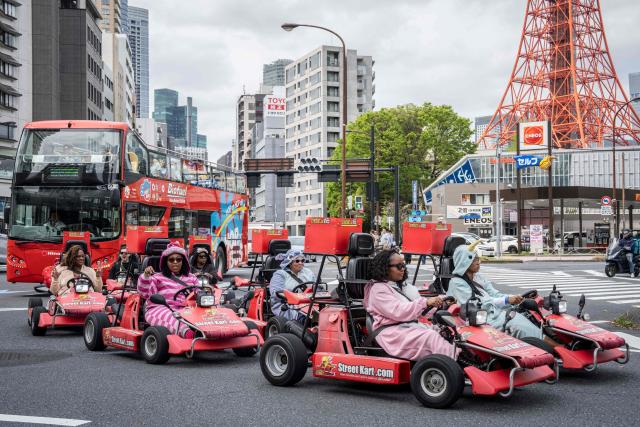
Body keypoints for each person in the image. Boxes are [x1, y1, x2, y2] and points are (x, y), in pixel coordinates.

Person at [363, 250, 458, 361]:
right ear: (385, 268)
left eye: (403, 265)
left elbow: (417, 309)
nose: (403, 268)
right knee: (431, 337)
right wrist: (425, 302)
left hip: (406, 327)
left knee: (447, 332)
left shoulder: (395, 286)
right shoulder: (378, 290)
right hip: (392, 333)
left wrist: (441, 304)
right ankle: (456, 365)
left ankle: (463, 360)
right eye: (399, 266)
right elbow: (399, 312)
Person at [446, 243, 542, 340]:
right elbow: (478, 304)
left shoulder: (478, 277)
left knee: (528, 315)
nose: (478, 262)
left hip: (495, 313)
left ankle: (545, 342)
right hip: (481, 319)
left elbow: (494, 293)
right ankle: (550, 347)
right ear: (464, 262)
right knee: (518, 323)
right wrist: (506, 300)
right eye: (474, 260)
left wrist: (513, 298)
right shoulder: (457, 283)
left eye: (478, 259)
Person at [137, 242, 199, 338]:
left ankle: (217, 331)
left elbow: (199, 294)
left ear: (183, 261)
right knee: (174, 317)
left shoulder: (192, 278)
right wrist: (145, 276)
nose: (175, 262)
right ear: (166, 261)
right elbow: (143, 293)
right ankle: (187, 334)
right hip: (161, 308)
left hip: (187, 309)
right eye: (171, 259)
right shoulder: (157, 277)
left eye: (178, 259)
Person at [269, 249, 316, 322]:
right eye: (297, 261)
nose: (300, 263)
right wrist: (294, 297)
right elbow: (275, 293)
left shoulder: (308, 272)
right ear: (290, 262)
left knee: (325, 314)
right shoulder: (280, 274)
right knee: (305, 318)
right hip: (286, 304)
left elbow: (316, 286)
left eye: (302, 260)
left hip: (309, 303)